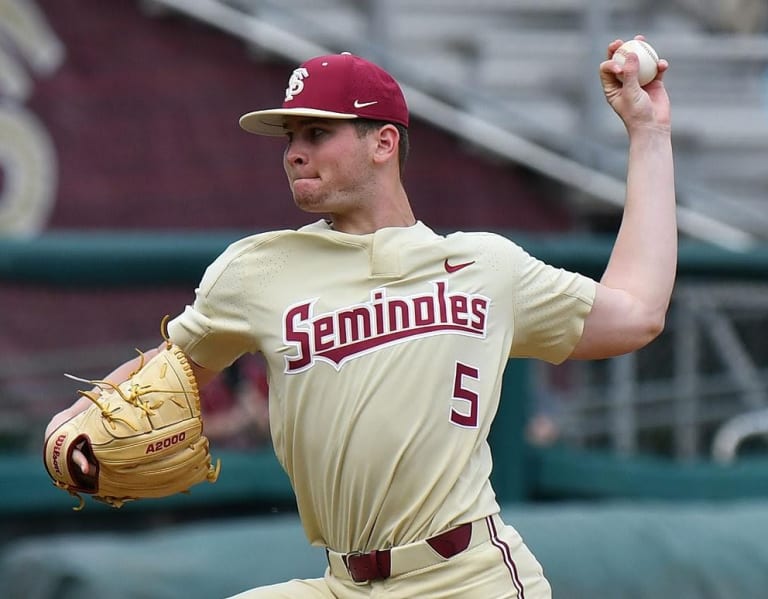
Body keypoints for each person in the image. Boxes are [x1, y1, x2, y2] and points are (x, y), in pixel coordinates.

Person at [45, 37, 675, 598]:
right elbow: (173, 366)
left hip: (466, 578)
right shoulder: (257, 271)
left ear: (383, 142)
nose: (295, 152)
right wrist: (79, 416)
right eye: (290, 137)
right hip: (341, 582)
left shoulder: (486, 266)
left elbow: (637, 314)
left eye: (317, 133)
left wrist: (650, 136)